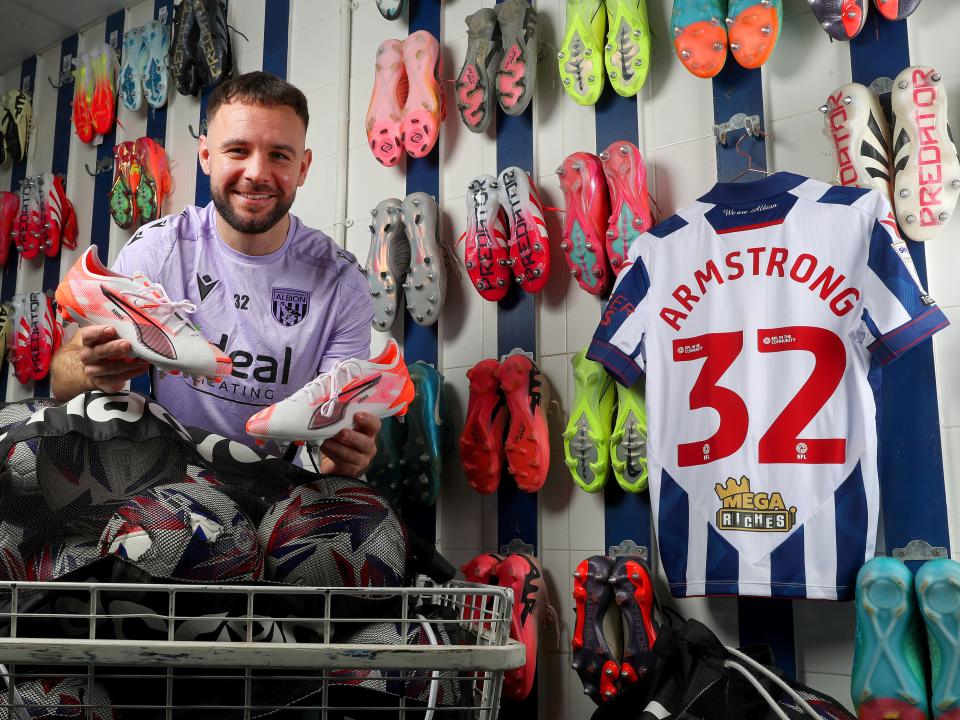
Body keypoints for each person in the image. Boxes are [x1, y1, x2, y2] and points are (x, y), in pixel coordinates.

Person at [50, 71, 379, 478]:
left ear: (303, 167)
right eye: (238, 150)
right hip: (169, 474)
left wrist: (341, 460)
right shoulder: (158, 249)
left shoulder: (343, 281)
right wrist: (90, 369)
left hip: (279, 483)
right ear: (206, 155)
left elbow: (331, 450)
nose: (256, 173)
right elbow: (61, 381)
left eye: (279, 155)